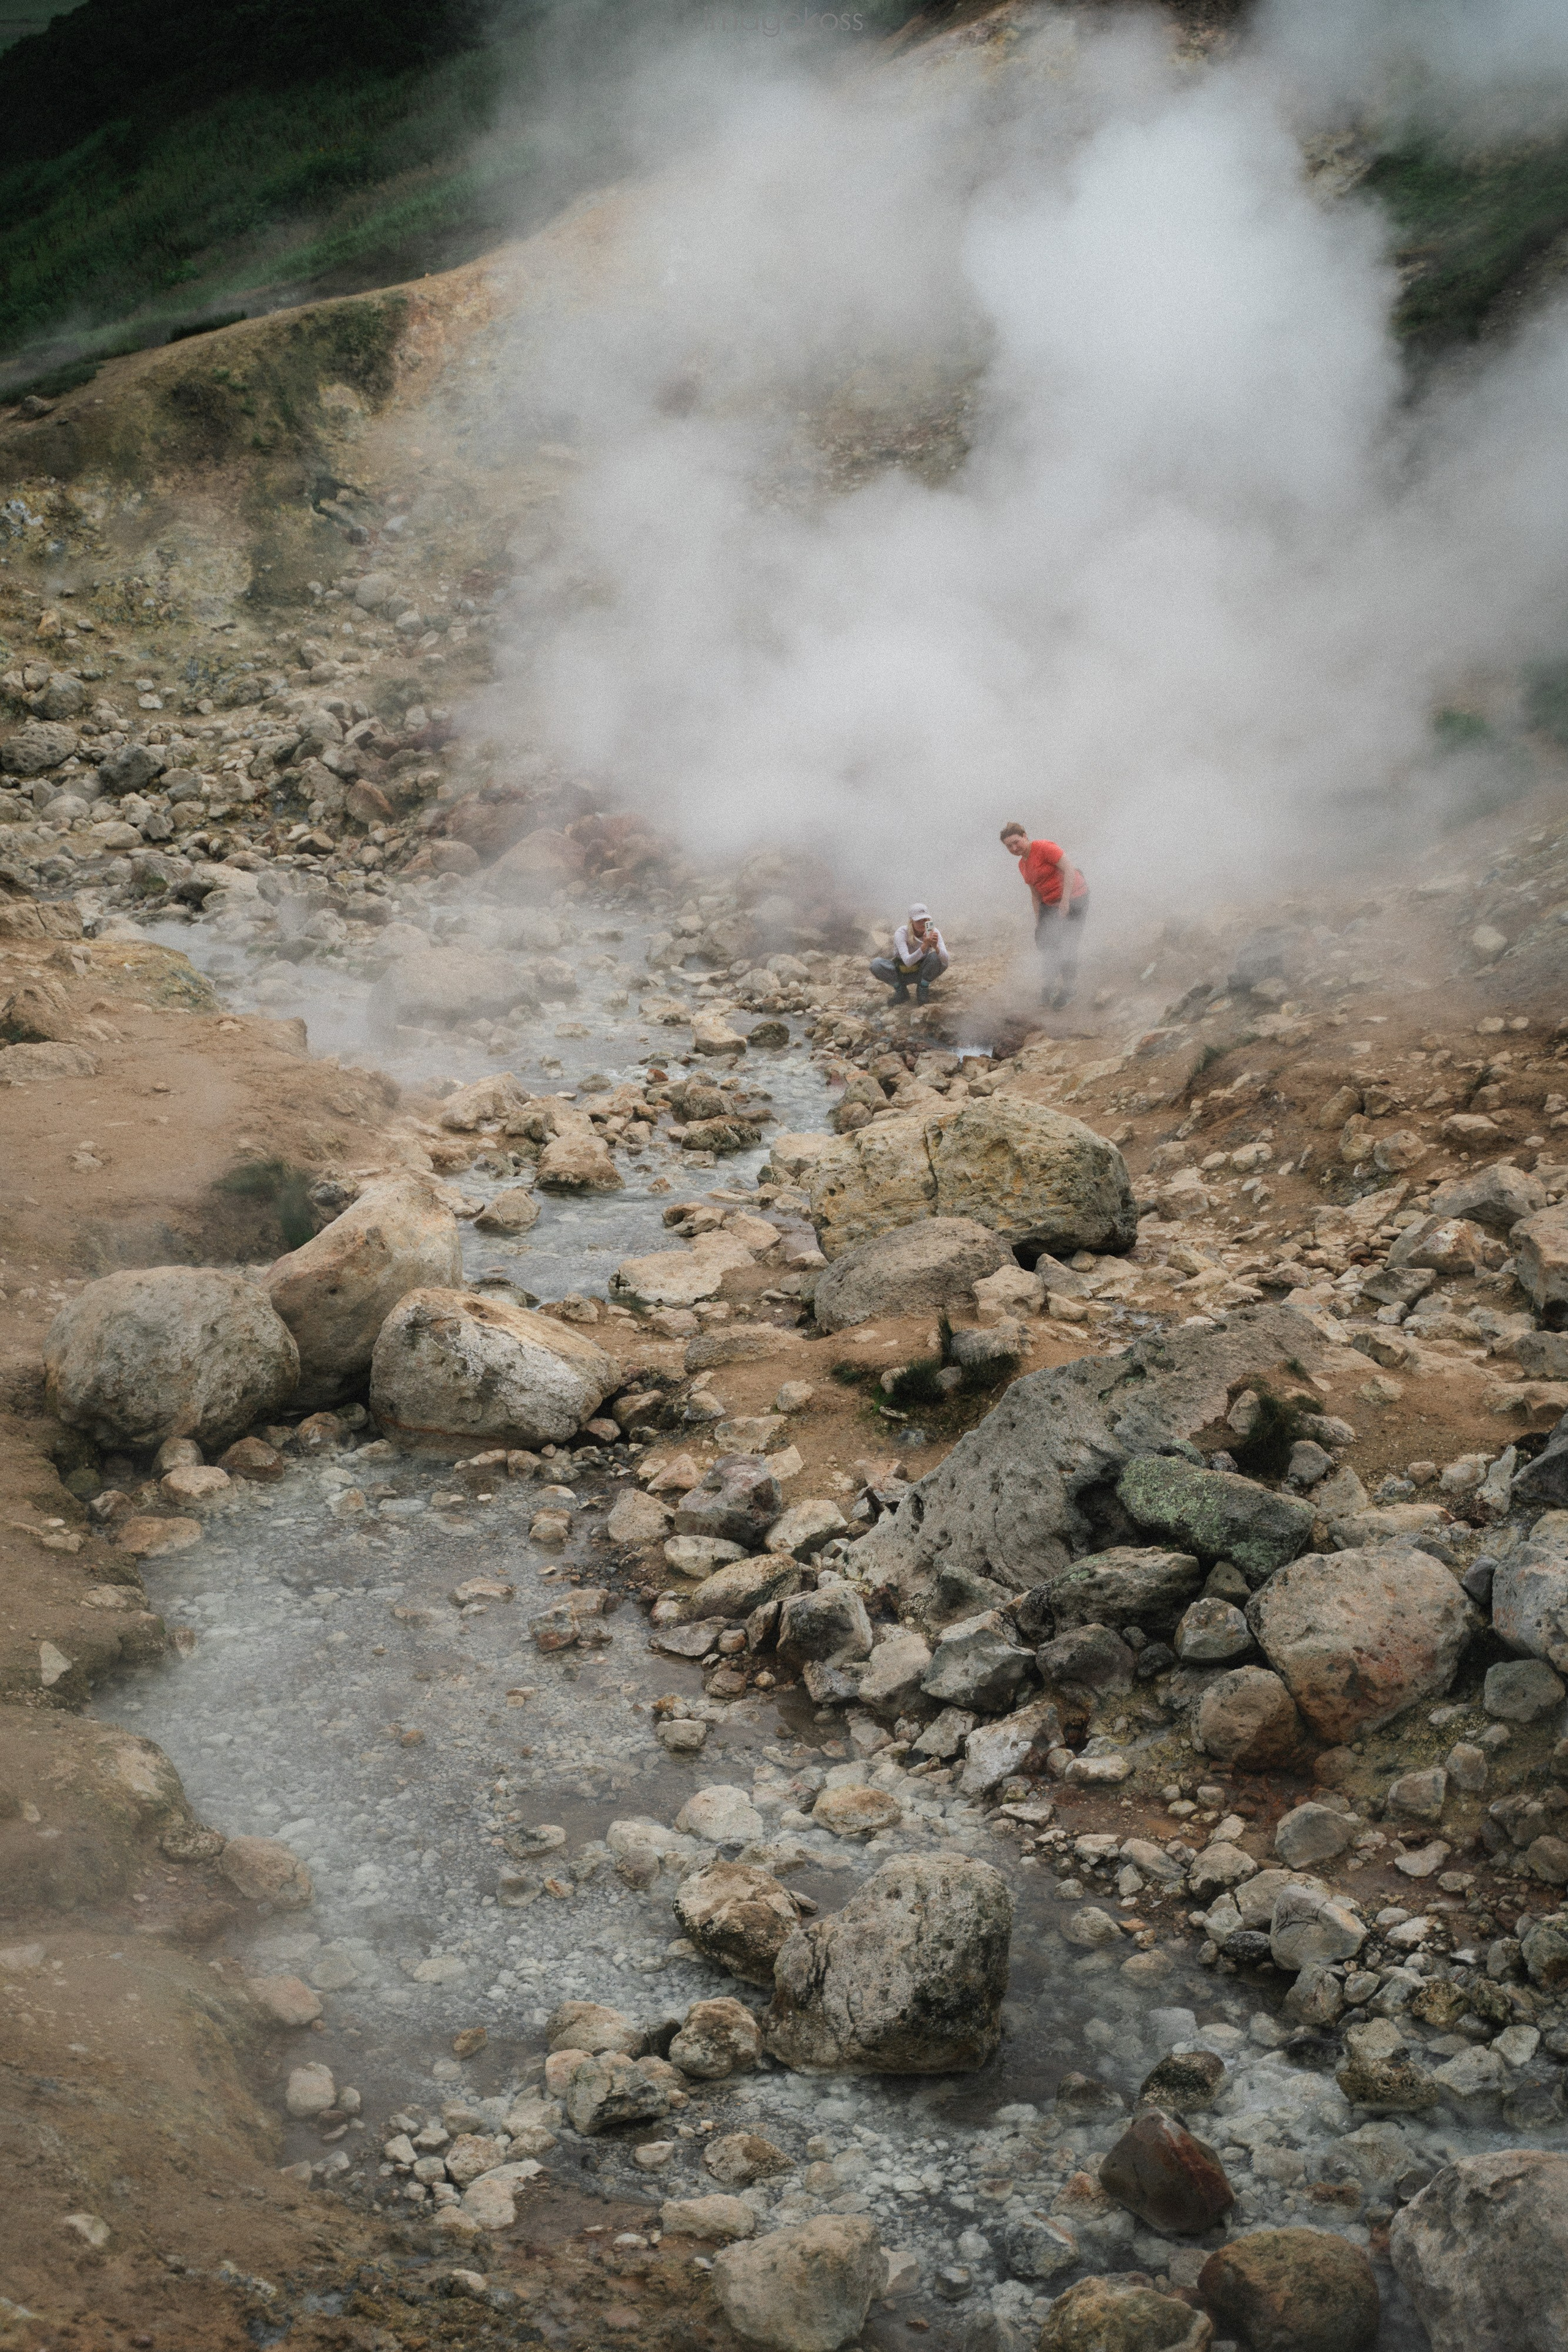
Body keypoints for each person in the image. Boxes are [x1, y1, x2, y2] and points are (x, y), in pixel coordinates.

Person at [1000, 821, 1088, 1008]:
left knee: (1067, 944)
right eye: (1009, 846)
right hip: (1050, 903)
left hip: (1075, 897)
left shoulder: (1043, 848)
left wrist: (1065, 901)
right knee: (1047, 945)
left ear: (1025, 836)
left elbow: (1069, 869)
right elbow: (1035, 895)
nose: (1014, 848)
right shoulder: (1023, 864)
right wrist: (1039, 921)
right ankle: (1049, 986)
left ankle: (1069, 989)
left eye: (1017, 842)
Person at [869, 903, 950, 1005]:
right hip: (901, 971)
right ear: (911, 921)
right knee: (876, 964)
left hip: (922, 971)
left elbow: (946, 960)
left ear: (929, 920)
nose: (922, 923)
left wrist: (936, 947)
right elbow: (908, 962)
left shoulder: (934, 932)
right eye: (918, 921)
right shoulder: (902, 933)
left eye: (925, 920)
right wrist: (925, 945)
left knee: (936, 957)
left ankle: (923, 988)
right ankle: (901, 991)